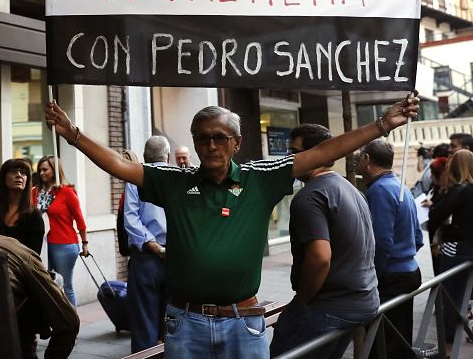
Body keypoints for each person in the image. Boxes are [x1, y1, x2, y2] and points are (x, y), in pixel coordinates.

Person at [44, 94, 419, 358]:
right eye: (202, 138)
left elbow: (323, 152)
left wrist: (382, 124)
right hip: (185, 322)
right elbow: (119, 165)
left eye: (219, 137)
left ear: (236, 143)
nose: (210, 145)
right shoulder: (175, 182)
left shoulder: (260, 179)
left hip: (243, 324)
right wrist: (72, 133)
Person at [269, 124, 379, 359]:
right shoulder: (351, 190)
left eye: (293, 151)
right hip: (363, 300)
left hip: (330, 306)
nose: (289, 158)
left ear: (315, 153)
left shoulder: (309, 197)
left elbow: (320, 258)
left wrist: (301, 301)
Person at [358, 139, 423, 359]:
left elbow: (380, 242)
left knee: (383, 343)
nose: (357, 162)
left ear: (367, 160)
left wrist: (371, 277)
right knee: (399, 338)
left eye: (359, 157)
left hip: (391, 277)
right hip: (408, 271)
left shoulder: (379, 191)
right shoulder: (400, 186)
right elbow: (418, 237)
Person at [124, 135, 171, 353]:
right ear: (167, 156)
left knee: (144, 326)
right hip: (176, 258)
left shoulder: (136, 178)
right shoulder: (178, 177)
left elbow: (131, 219)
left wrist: (153, 246)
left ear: (144, 156)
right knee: (174, 323)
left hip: (146, 259)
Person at [427, 150, 473, 351]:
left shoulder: (460, 190)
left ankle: (446, 348)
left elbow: (435, 214)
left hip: (457, 249)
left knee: (450, 300)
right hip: (468, 248)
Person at [32, 155, 88, 305]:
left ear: (55, 170)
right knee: (46, 286)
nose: (42, 173)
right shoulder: (35, 192)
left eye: (45, 169)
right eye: (40, 170)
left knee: (65, 285)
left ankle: (71, 323)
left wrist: (85, 242)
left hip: (63, 244)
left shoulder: (67, 192)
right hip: (42, 244)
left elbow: (79, 218)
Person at [0, 158, 45, 255]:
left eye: (24, 173)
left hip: (22, 268)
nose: (19, 175)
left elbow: (34, 255)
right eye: (14, 172)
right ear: (4, 178)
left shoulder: (34, 216)